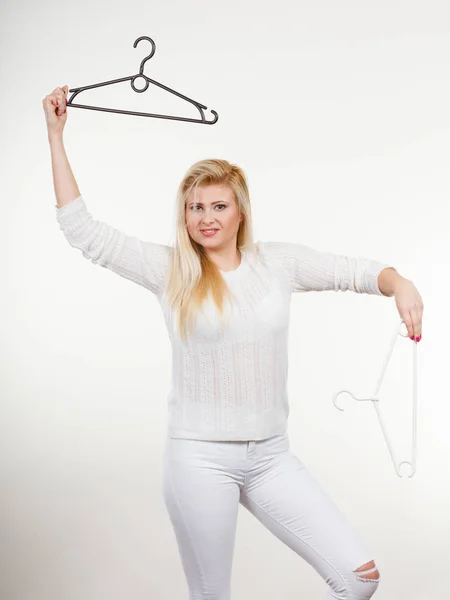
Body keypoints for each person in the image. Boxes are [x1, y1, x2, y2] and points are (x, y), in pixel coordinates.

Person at [43, 85, 424, 600]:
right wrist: (55, 134)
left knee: (359, 578)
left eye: (218, 205)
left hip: (271, 455)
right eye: (195, 207)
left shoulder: (279, 263)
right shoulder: (169, 269)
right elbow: (83, 231)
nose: (206, 218)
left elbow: (353, 271)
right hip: (198, 459)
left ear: (240, 211)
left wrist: (400, 284)